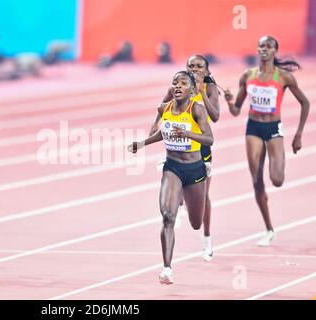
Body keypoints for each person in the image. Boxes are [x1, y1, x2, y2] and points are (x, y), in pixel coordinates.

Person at [223, 36, 309, 246]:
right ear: (257, 49)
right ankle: (269, 229)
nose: (264, 49)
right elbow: (236, 111)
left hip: (273, 128)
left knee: (277, 180)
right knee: (256, 182)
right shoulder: (248, 76)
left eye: (269, 46)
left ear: (275, 51)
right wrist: (229, 101)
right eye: (261, 45)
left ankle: (277, 164)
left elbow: (305, 103)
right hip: (253, 128)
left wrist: (298, 135)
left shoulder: (284, 77)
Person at [129, 71, 214, 284]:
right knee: (167, 216)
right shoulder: (164, 108)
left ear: (192, 90)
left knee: (196, 223)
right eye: (175, 82)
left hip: (194, 170)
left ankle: (193, 213)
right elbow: (163, 132)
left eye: (183, 83)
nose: (178, 85)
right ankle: (167, 268)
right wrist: (142, 144)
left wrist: (186, 134)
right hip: (172, 167)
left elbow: (209, 138)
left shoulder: (197, 109)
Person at [149, 55, 220, 261]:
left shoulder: (210, 89)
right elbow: (162, 109)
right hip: (176, 147)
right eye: (191, 66)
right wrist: (153, 129)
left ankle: (206, 237)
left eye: (199, 66)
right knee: (174, 177)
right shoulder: (177, 88)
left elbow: (215, 117)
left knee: (204, 196)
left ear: (206, 71)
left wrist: (201, 93)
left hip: (201, 149)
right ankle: (176, 206)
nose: (195, 69)